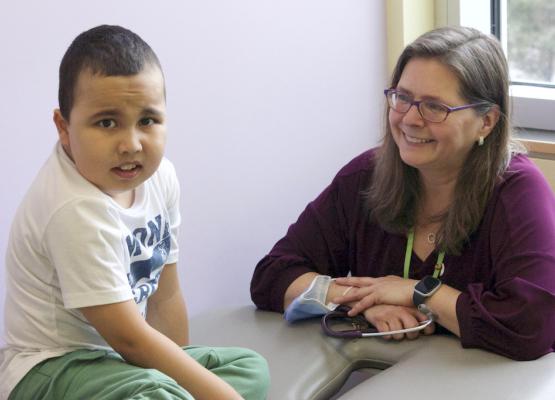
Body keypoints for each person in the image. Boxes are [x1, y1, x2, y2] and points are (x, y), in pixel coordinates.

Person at [251, 26, 555, 361]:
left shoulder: (519, 192)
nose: (410, 119)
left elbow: (532, 326)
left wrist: (418, 293)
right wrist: (363, 301)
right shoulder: (365, 175)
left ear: (486, 122)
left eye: (435, 107)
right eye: (403, 97)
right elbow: (273, 276)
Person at [0, 25, 269, 400]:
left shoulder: (161, 179)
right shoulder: (73, 208)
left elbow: (165, 296)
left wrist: (184, 388)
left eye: (147, 121)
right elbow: (130, 338)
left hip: (121, 367)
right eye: (106, 123)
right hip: (51, 369)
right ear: (64, 127)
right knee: (156, 393)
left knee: (248, 367)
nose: (131, 144)